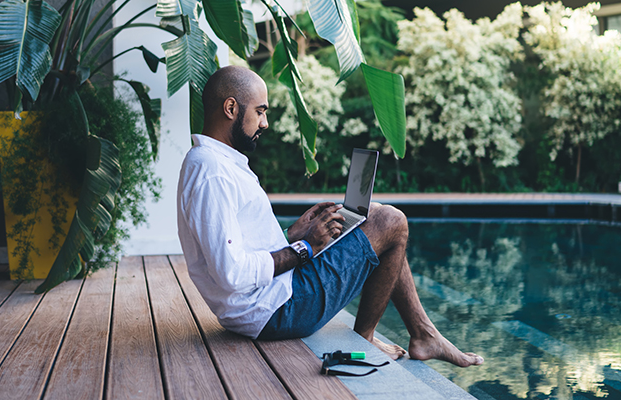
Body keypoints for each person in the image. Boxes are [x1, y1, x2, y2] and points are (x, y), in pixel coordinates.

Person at [176, 65, 483, 367]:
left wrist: (292, 234)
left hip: (271, 299)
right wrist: (306, 246)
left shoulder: (216, 162)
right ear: (231, 108)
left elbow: (238, 249)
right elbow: (232, 274)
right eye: (260, 111)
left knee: (372, 213)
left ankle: (423, 334)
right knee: (392, 222)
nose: (265, 123)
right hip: (275, 311)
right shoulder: (212, 172)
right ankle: (371, 336)